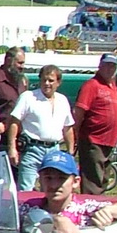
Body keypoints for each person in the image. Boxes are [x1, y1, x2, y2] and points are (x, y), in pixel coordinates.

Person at [24, 148, 117, 233]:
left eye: (62, 179)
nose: (54, 185)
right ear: (40, 181)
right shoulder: (28, 208)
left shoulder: (85, 209)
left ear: (75, 182)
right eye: (48, 178)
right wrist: (56, 220)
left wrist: (110, 211)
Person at [6, 63, 75, 191]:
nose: (47, 83)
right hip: (32, 149)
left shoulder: (62, 100)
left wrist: (70, 151)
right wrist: (12, 148)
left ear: (58, 82)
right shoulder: (28, 97)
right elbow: (14, 122)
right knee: (26, 190)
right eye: (44, 80)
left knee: (51, 189)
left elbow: (68, 127)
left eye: (51, 80)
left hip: (54, 150)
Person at [73, 53, 117, 194]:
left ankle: (97, 205)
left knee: (103, 180)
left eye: (113, 66)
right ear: (100, 66)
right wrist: (75, 135)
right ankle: (90, 207)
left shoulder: (113, 88)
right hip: (93, 140)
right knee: (93, 181)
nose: (110, 69)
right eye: (107, 65)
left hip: (109, 143)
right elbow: (79, 112)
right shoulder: (92, 85)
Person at [0, 47, 27, 131]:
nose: (22, 67)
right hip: (0, 136)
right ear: (8, 61)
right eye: (19, 63)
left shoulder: (22, 80)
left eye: (23, 63)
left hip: (20, 135)